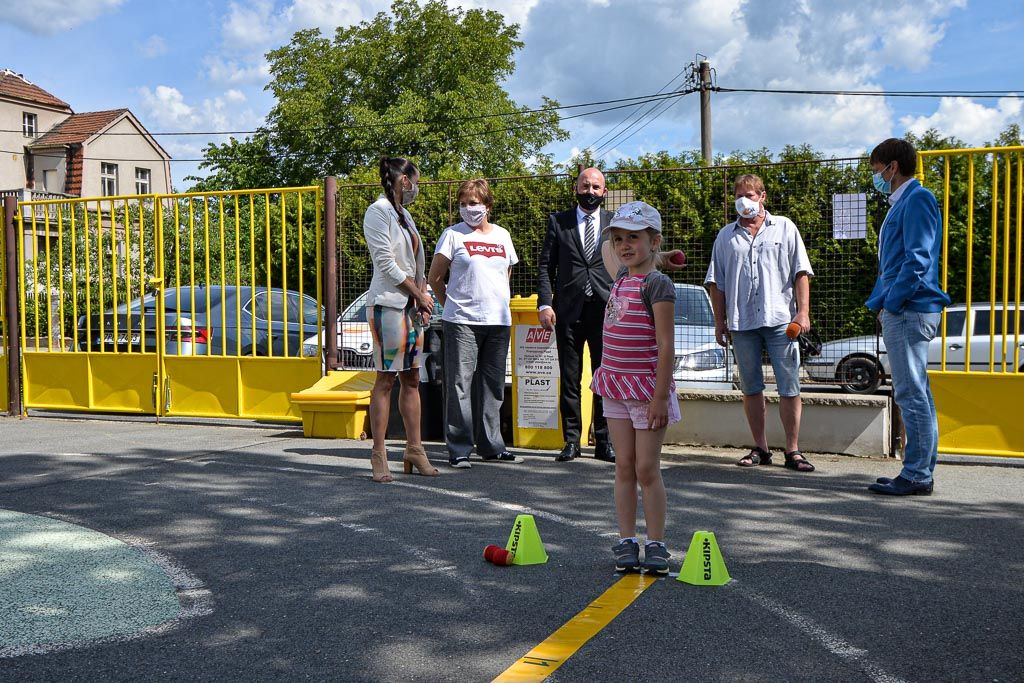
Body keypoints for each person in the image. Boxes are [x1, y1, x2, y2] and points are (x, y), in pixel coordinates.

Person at [705, 174, 816, 472]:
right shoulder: (725, 236)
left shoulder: (785, 227)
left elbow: (801, 272)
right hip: (742, 323)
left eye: (750, 195)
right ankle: (761, 448)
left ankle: (792, 450)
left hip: (781, 320)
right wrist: (719, 321)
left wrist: (802, 313)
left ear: (763, 196)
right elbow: (717, 283)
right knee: (751, 388)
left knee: (789, 386)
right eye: (739, 195)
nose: (745, 200)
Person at [591, 201, 679, 575]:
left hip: (646, 392)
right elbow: (603, 249)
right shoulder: (620, 279)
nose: (624, 245)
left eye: (634, 238)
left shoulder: (657, 284)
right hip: (614, 387)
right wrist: (663, 252)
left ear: (653, 239)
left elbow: (666, 345)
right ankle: (627, 540)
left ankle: (655, 542)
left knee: (646, 467)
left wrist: (660, 396)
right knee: (623, 465)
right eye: (619, 239)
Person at [865, 138, 950, 496]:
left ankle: (916, 474)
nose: (876, 178)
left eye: (876, 171)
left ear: (892, 167)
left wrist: (893, 304)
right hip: (907, 309)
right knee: (917, 393)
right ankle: (919, 470)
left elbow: (917, 260)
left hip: (909, 310)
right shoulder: (905, 201)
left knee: (911, 393)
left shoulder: (917, 199)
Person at [428, 178, 520, 468]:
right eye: (464, 204)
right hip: (461, 321)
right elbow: (435, 279)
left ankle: (491, 446)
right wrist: (451, 304)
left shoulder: (503, 235)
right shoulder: (452, 235)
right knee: (460, 384)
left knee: (492, 385)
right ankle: (459, 448)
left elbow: (505, 274)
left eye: (475, 203)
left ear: (488, 206)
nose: (469, 209)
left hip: (498, 321)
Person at [362, 156, 439, 482]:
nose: (417, 187)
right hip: (388, 306)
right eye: (415, 180)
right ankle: (379, 454)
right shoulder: (377, 211)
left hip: (409, 307)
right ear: (403, 180)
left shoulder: (404, 215)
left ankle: (414, 449)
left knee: (412, 378)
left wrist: (422, 295)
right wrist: (418, 294)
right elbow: (387, 264)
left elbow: (416, 263)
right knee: (386, 379)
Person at [537, 168, 617, 463]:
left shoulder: (614, 224)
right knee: (569, 379)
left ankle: (604, 441)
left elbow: (624, 265)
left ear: (604, 192)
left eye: (596, 187)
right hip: (567, 313)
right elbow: (546, 265)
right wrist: (545, 304)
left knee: (604, 378)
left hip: (606, 311)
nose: (591, 191)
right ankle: (571, 441)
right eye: (586, 186)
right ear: (576, 189)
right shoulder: (559, 222)